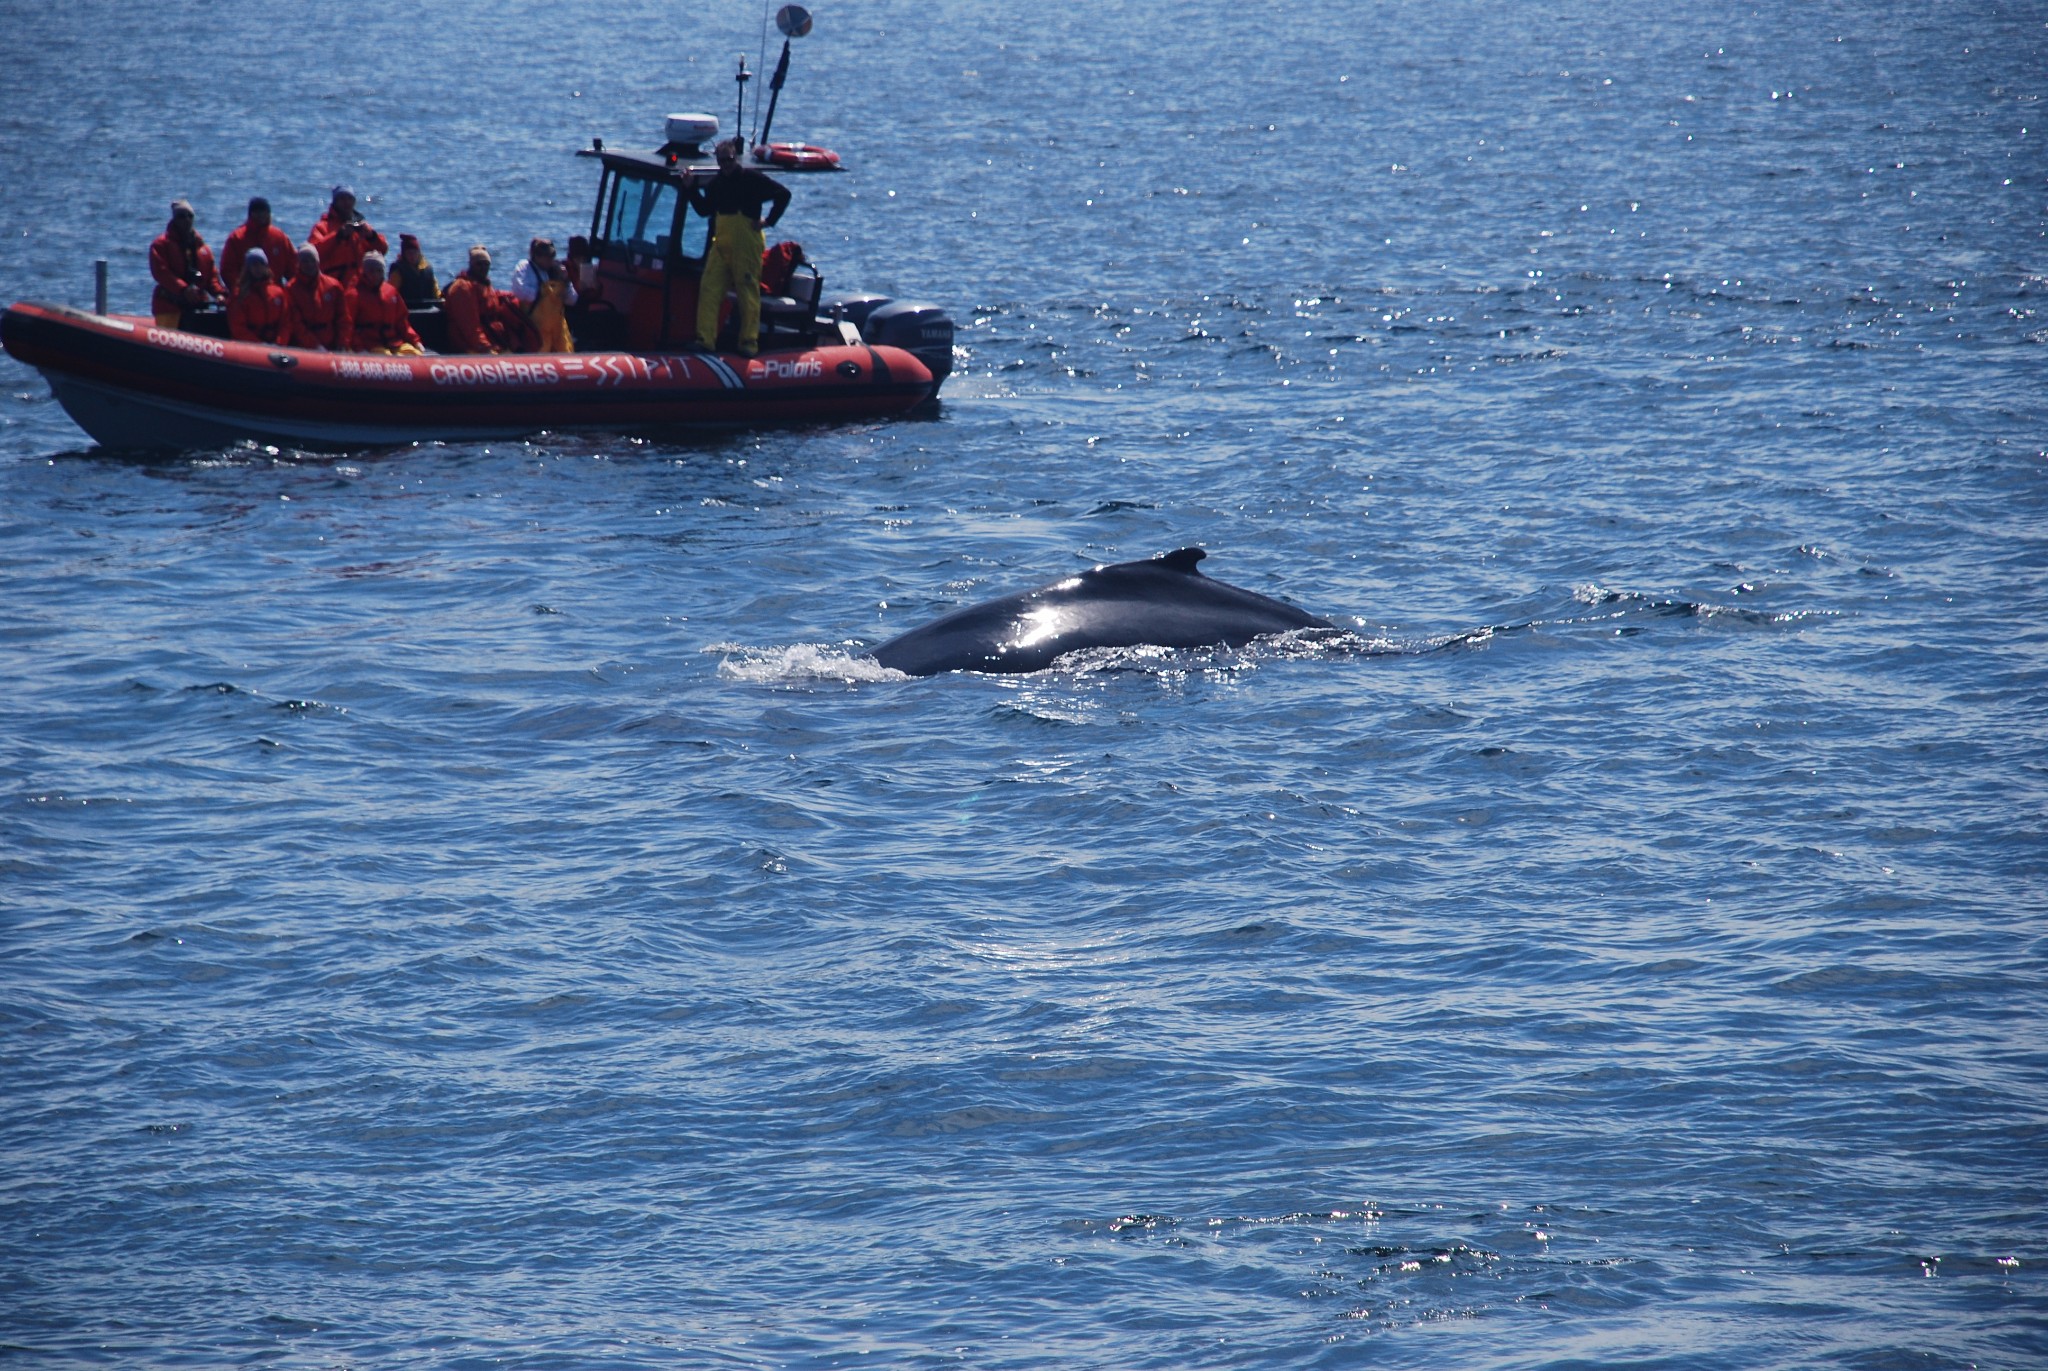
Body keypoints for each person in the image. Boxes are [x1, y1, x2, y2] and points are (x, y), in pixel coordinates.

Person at [687, 138, 790, 356]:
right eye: (722, 160)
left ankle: (748, 343)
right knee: (709, 288)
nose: (726, 164)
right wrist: (690, 189)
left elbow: (783, 194)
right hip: (722, 244)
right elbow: (705, 210)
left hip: (746, 243)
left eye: (730, 160)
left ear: (736, 158)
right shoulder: (716, 184)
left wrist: (768, 221)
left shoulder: (751, 179)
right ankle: (705, 340)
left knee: (747, 292)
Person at [442, 246, 534, 354]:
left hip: (494, 338)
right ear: (471, 265)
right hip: (469, 345)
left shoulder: (484, 284)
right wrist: (486, 348)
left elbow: (492, 300)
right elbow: (470, 327)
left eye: (486, 264)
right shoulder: (462, 288)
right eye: (479, 264)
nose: (483, 268)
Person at [148, 199, 224, 328]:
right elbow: (162, 273)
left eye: (190, 216)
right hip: (169, 308)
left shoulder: (203, 248)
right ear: (174, 219)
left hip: (198, 308)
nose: (186, 220)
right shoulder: (161, 245)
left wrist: (219, 294)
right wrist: (184, 289)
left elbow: (211, 278)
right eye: (181, 216)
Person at [308, 185, 387, 288]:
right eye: (342, 199)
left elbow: (383, 250)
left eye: (350, 199)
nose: (346, 203)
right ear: (335, 202)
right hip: (331, 287)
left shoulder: (360, 226)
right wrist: (338, 236)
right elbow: (312, 254)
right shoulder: (322, 227)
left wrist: (371, 236)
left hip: (358, 287)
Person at [343, 254, 423, 355]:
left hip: (394, 342)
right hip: (370, 344)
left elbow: (403, 322)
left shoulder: (391, 292)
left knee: (414, 354)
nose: (375, 275)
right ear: (364, 272)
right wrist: (359, 348)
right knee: (386, 355)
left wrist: (415, 341)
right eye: (371, 271)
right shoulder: (353, 294)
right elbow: (348, 327)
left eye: (379, 271)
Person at [510, 237, 576, 354]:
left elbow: (573, 300)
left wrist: (565, 281)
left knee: (567, 355)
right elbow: (520, 292)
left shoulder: (557, 270)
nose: (550, 260)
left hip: (558, 330)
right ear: (536, 256)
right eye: (546, 256)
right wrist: (545, 291)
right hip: (536, 330)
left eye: (552, 256)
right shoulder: (525, 268)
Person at [219, 197, 298, 293]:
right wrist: (239, 290)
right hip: (246, 296)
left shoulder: (280, 237)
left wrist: (291, 293)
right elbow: (228, 270)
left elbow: (293, 268)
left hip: (274, 296)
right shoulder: (237, 238)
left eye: (264, 212)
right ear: (250, 214)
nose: (261, 215)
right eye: (257, 212)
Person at [283, 244, 348, 351]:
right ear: (299, 264)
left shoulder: (333, 286)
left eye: (311, 260)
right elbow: (296, 323)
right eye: (304, 261)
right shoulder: (291, 289)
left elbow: (343, 318)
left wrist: (342, 342)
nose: (309, 264)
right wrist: (315, 346)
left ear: (317, 262)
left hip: (332, 344)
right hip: (304, 347)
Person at [226, 247, 289, 344]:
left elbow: (286, 323)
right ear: (248, 268)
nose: (258, 268)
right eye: (254, 265)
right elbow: (237, 327)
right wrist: (259, 344)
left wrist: (280, 342)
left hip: (276, 344)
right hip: (249, 346)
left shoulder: (278, 293)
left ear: (266, 267)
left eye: (261, 264)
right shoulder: (239, 295)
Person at [389, 233, 440, 306]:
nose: (412, 256)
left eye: (414, 252)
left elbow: (436, 293)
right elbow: (391, 294)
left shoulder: (427, 269)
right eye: (409, 253)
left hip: (428, 311)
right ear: (404, 254)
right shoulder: (398, 271)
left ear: (419, 252)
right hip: (407, 311)